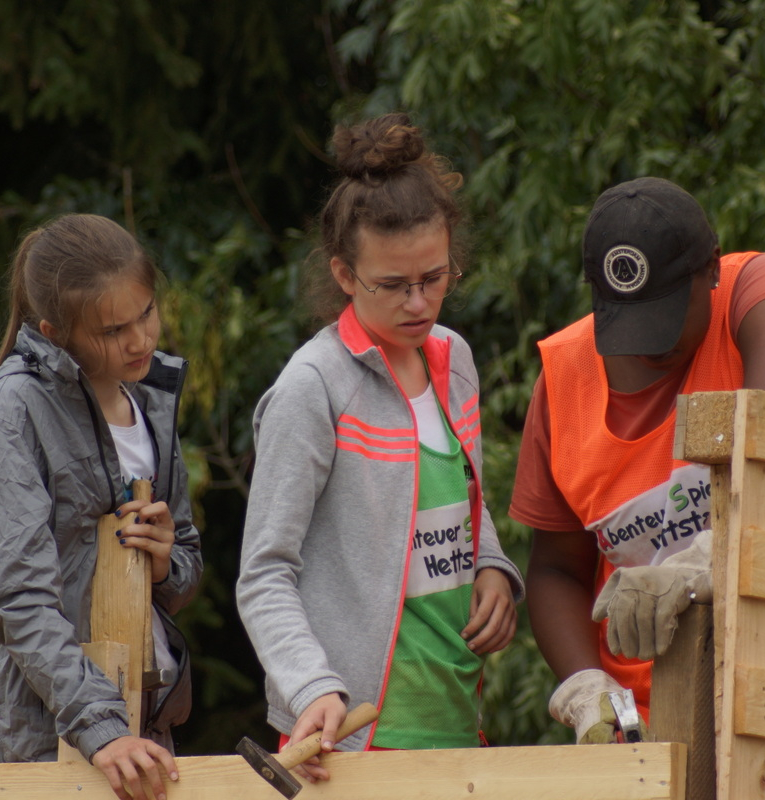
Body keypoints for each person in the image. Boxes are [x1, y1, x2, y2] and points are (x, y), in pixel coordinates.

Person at [510, 177, 765, 799]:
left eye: (663, 317)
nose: (646, 349)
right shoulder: (562, 383)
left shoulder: (763, 296)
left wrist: (706, 561)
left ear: (709, 270)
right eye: (626, 321)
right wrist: (585, 687)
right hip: (657, 723)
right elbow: (556, 570)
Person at [236, 113, 523, 780]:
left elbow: (460, 503)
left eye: (435, 277)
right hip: (349, 742)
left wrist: (491, 566)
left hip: (456, 724)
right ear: (344, 273)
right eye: (392, 285)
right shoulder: (313, 388)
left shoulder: (455, 359)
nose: (419, 303)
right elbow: (264, 573)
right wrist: (311, 687)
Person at [0, 214, 202, 800]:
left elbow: (185, 569)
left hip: (143, 731)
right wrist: (100, 729)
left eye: (146, 313)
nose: (140, 340)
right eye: (113, 330)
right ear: (54, 333)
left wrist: (167, 563)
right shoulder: (11, 414)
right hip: (48, 743)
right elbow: (17, 601)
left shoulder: (150, 400)